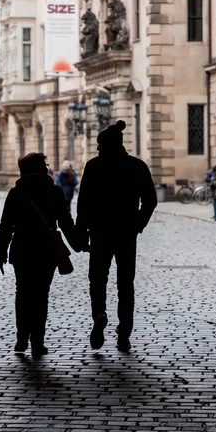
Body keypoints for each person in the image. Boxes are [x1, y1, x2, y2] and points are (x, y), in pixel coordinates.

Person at [76, 120, 157, 353]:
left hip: (100, 233)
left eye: (99, 145)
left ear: (105, 145)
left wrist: (81, 233)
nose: (98, 149)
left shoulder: (93, 167)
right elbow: (150, 200)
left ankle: (99, 314)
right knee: (125, 285)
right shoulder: (137, 166)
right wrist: (138, 224)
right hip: (126, 234)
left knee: (97, 280)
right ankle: (124, 334)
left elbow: (84, 205)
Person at [0, 152, 78, 358]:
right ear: (42, 169)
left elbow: (5, 226)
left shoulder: (16, 193)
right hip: (45, 250)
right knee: (41, 296)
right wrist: (80, 244)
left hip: (21, 249)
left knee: (22, 295)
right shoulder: (54, 192)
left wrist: (0, 254)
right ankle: (37, 342)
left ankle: (21, 338)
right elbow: (66, 223)